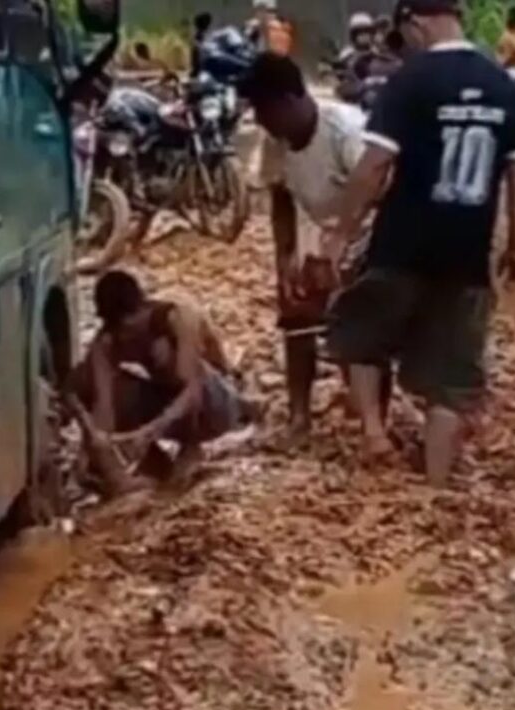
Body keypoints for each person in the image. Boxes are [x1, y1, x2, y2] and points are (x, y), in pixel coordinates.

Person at [320, 0, 515, 487]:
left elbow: (374, 166)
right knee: (452, 384)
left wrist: (339, 235)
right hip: (466, 256)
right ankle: (436, 488)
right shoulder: (506, 87)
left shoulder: (410, 81)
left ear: (414, 22)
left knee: (359, 332)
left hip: (402, 246)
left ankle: (375, 439)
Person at [241, 53, 380, 439]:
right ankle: (299, 416)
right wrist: (284, 259)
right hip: (325, 233)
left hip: (372, 231)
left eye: (262, 109)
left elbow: (379, 190)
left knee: (354, 318)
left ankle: (371, 414)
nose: (259, 120)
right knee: (296, 311)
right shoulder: (276, 143)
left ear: (288, 101)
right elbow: (281, 197)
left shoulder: (345, 132)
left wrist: (348, 255)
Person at [71, 270, 258, 483]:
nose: (127, 336)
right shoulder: (107, 341)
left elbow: (193, 390)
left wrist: (150, 430)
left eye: (130, 326)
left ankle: (192, 446)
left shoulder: (178, 318)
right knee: (87, 380)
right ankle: (154, 461)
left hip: (213, 405)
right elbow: (104, 407)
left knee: (175, 365)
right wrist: (91, 450)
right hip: (167, 403)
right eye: (120, 329)